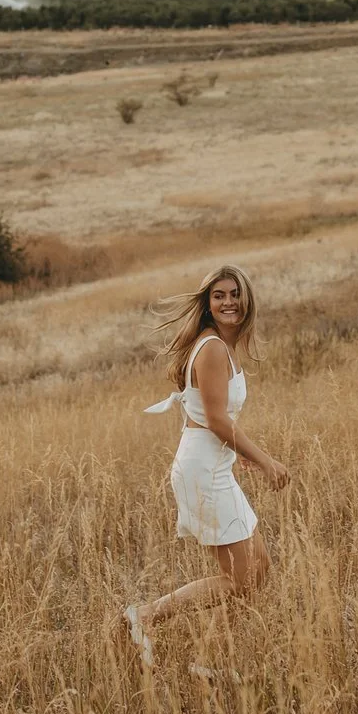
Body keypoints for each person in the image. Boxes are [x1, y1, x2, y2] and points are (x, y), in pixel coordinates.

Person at [122, 264, 292, 666]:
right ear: (208, 304)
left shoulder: (220, 346)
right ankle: (144, 616)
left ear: (247, 299)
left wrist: (237, 453)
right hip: (203, 469)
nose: (228, 302)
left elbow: (209, 415)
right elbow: (215, 419)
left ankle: (211, 661)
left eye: (234, 294)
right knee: (241, 579)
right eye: (219, 296)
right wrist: (265, 461)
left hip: (212, 463)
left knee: (257, 572)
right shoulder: (213, 347)